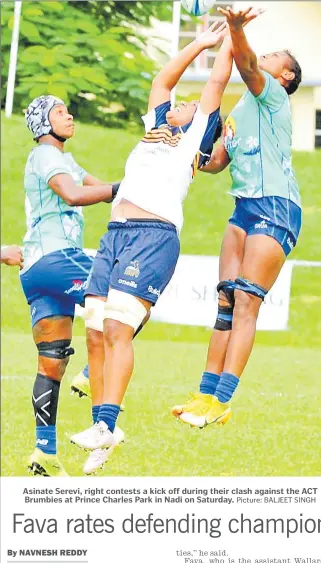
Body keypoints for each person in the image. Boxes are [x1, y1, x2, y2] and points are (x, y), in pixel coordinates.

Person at [70, 19, 252, 474]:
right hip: (115, 235)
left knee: (117, 330)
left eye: (191, 105)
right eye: (181, 103)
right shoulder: (156, 125)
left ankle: (107, 423)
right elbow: (162, 80)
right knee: (94, 331)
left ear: (200, 124)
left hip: (153, 238)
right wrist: (199, 42)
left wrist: (228, 37)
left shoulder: (193, 138)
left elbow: (216, 79)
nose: (183, 103)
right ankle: (102, 429)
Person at [173, 6, 302, 429]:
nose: (263, 57)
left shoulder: (273, 95)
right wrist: (188, 154)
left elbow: (244, 63)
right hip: (244, 206)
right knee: (226, 300)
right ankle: (204, 395)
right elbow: (216, 163)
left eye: (272, 58)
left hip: (277, 207)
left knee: (248, 301)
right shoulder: (241, 108)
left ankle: (223, 400)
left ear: (284, 77)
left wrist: (235, 26)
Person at [20, 95, 123, 476]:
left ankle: (44, 451)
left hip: (35, 271)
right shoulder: (47, 155)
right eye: (61, 112)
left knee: (51, 361)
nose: (70, 115)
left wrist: (130, 188)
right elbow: (76, 195)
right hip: (56, 257)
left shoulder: (63, 160)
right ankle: (89, 379)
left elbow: (104, 187)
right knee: (126, 301)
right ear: (43, 124)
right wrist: (119, 190)